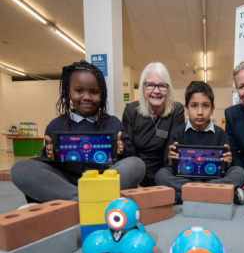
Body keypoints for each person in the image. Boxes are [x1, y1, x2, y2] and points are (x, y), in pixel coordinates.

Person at [11, 60, 145, 202]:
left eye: (94, 92)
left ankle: (75, 203)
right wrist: (49, 154)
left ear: (102, 95)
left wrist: (122, 150)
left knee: (136, 164)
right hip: (65, 181)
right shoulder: (56, 125)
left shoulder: (112, 123)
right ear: (68, 92)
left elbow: (130, 156)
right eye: (79, 91)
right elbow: (46, 164)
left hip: (104, 177)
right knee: (20, 169)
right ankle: (87, 199)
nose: (87, 97)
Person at [155, 81, 244, 205]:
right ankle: (216, 195)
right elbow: (168, 166)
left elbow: (226, 169)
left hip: (213, 179)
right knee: (161, 175)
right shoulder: (178, 133)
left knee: (239, 172)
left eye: (205, 105)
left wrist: (228, 163)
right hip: (186, 179)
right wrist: (171, 161)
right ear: (186, 108)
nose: (200, 111)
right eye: (194, 105)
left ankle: (184, 196)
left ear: (212, 108)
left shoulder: (221, 134)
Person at [122, 62, 185, 186]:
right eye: (150, 85)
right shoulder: (131, 111)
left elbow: (171, 152)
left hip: (164, 173)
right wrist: (134, 181)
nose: (156, 91)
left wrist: (161, 185)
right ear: (143, 88)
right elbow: (129, 152)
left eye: (162, 86)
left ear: (168, 88)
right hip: (137, 170)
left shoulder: (176, 110)